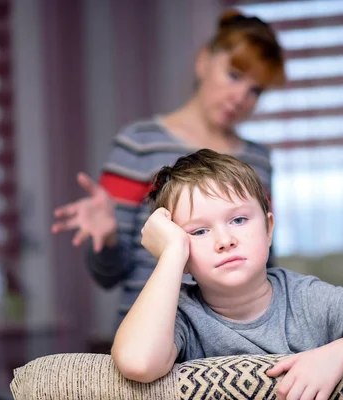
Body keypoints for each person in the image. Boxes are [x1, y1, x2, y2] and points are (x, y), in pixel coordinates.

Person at [111, 149, 343, 400]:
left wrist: (337, 354)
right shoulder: (183, 315)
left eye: (238, 219)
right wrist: (171, 254)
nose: (225, 240)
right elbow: (138, 363)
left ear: (268, 229)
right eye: (198, 231)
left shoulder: (306, 300)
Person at [51, 10, 285, 325]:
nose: (240, 96)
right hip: (149, 336)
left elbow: (264, 264)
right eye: (234, 75)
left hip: (233, 345)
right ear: (204, 61)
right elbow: (108, 276)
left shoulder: (259, 160)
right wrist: (106, 239)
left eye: (255, 90)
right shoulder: (138, 144)